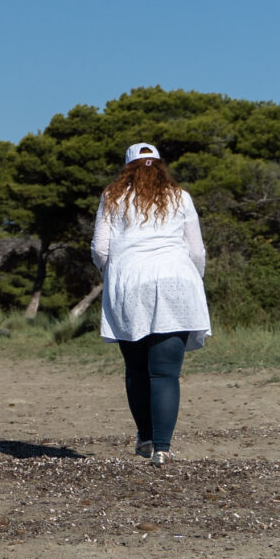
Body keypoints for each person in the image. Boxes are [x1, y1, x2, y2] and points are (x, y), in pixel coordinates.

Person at [91, 142, 213, 464]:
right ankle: (162, 448)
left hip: (130, 284)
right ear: (160, 165)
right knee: (165, 374)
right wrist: (193, 279)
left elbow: (100, 248)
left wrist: (112, 272)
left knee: (136, 368)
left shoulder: (112, 197)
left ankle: (145, 437)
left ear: (127, 167)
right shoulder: (180, 197)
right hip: (177, 282)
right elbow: (196, 250)